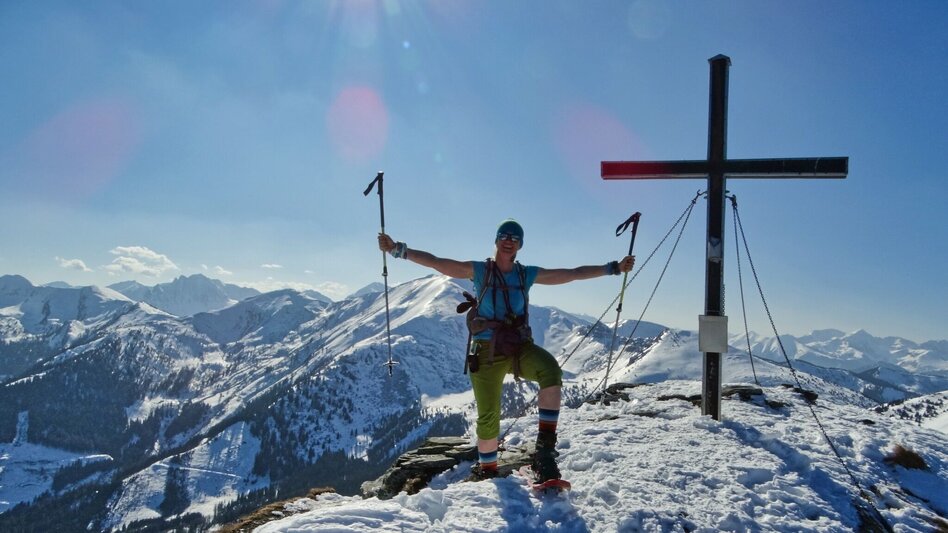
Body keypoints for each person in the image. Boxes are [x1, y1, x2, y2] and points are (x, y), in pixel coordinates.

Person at [377, 219, 635, 482]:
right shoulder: (479, 271)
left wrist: (613, 268)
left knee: (550, 370)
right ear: (497, 240)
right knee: (489, 416)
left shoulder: (526, 274)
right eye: (504, 235)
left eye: (515, 237)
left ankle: (544, 453)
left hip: (518, 346)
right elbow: (437, 261)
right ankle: (487, 470)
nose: (509, 240)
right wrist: (398, 249)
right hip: (487, 350)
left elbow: (572, 273)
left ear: (520, 245)